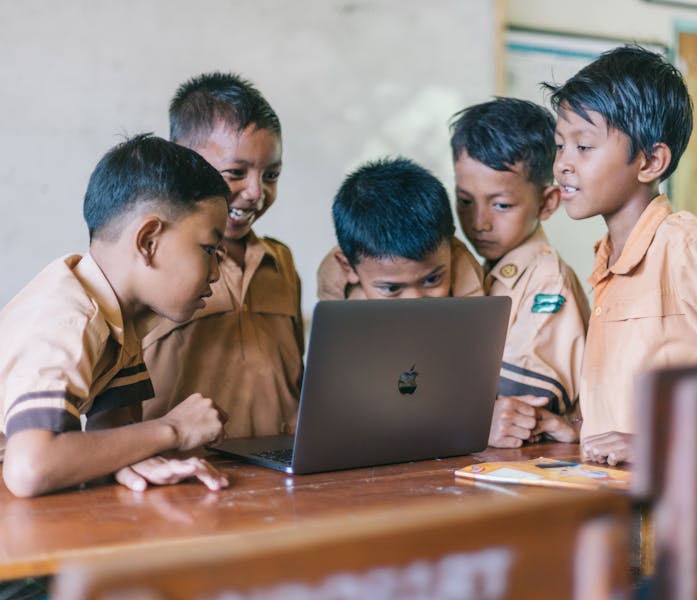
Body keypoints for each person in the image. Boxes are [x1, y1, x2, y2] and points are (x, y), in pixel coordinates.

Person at [547, 46, 697, 582]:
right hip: (631, 542)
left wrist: (658, 441)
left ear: (651, 162)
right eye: (560, 145)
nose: (562, 162)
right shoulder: (607, 262)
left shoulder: (683, 247)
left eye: (583, 146)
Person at [0, 134, 230, 498]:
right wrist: (172, 428)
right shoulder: (68, 319)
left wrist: (133, 457)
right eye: (210, 249)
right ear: (148, 241)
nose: (216, 272)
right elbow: (30, 467)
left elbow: (113, 426)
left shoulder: (120, 313)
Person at [142, 73, 303, 439]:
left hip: (277, 472)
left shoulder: (280, 263)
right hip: (181, 473)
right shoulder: (148, 263)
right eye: (236, 172)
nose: (255, 193)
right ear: (183, 161)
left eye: (272, 175)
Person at [449, 98, 590, 448]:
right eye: (465, 201)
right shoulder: (474, 270)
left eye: (501, 205)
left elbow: (519, 410)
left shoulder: (547, 282)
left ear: (547, 202)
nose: (479, 222)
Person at [316, 157, 484, 300]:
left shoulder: (469, 280)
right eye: (391, 289)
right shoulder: (332, 282)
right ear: (349, 268)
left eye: (432, 279)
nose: (415, 301)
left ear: (451, 247)